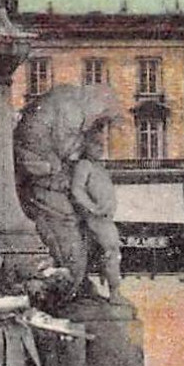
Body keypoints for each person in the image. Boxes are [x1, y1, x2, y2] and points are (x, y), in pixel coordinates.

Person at [70, 128, 122, 300]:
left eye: (102, 144)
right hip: (95, 219)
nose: (101, 148)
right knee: (111, 252)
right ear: (86, 146)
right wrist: (92, 208)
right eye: (96, 144)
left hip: (105, 218)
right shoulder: (84, 165)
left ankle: (112, 290)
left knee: (110, 253)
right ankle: (114, 292)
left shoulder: (99, 167)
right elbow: (77, 190)